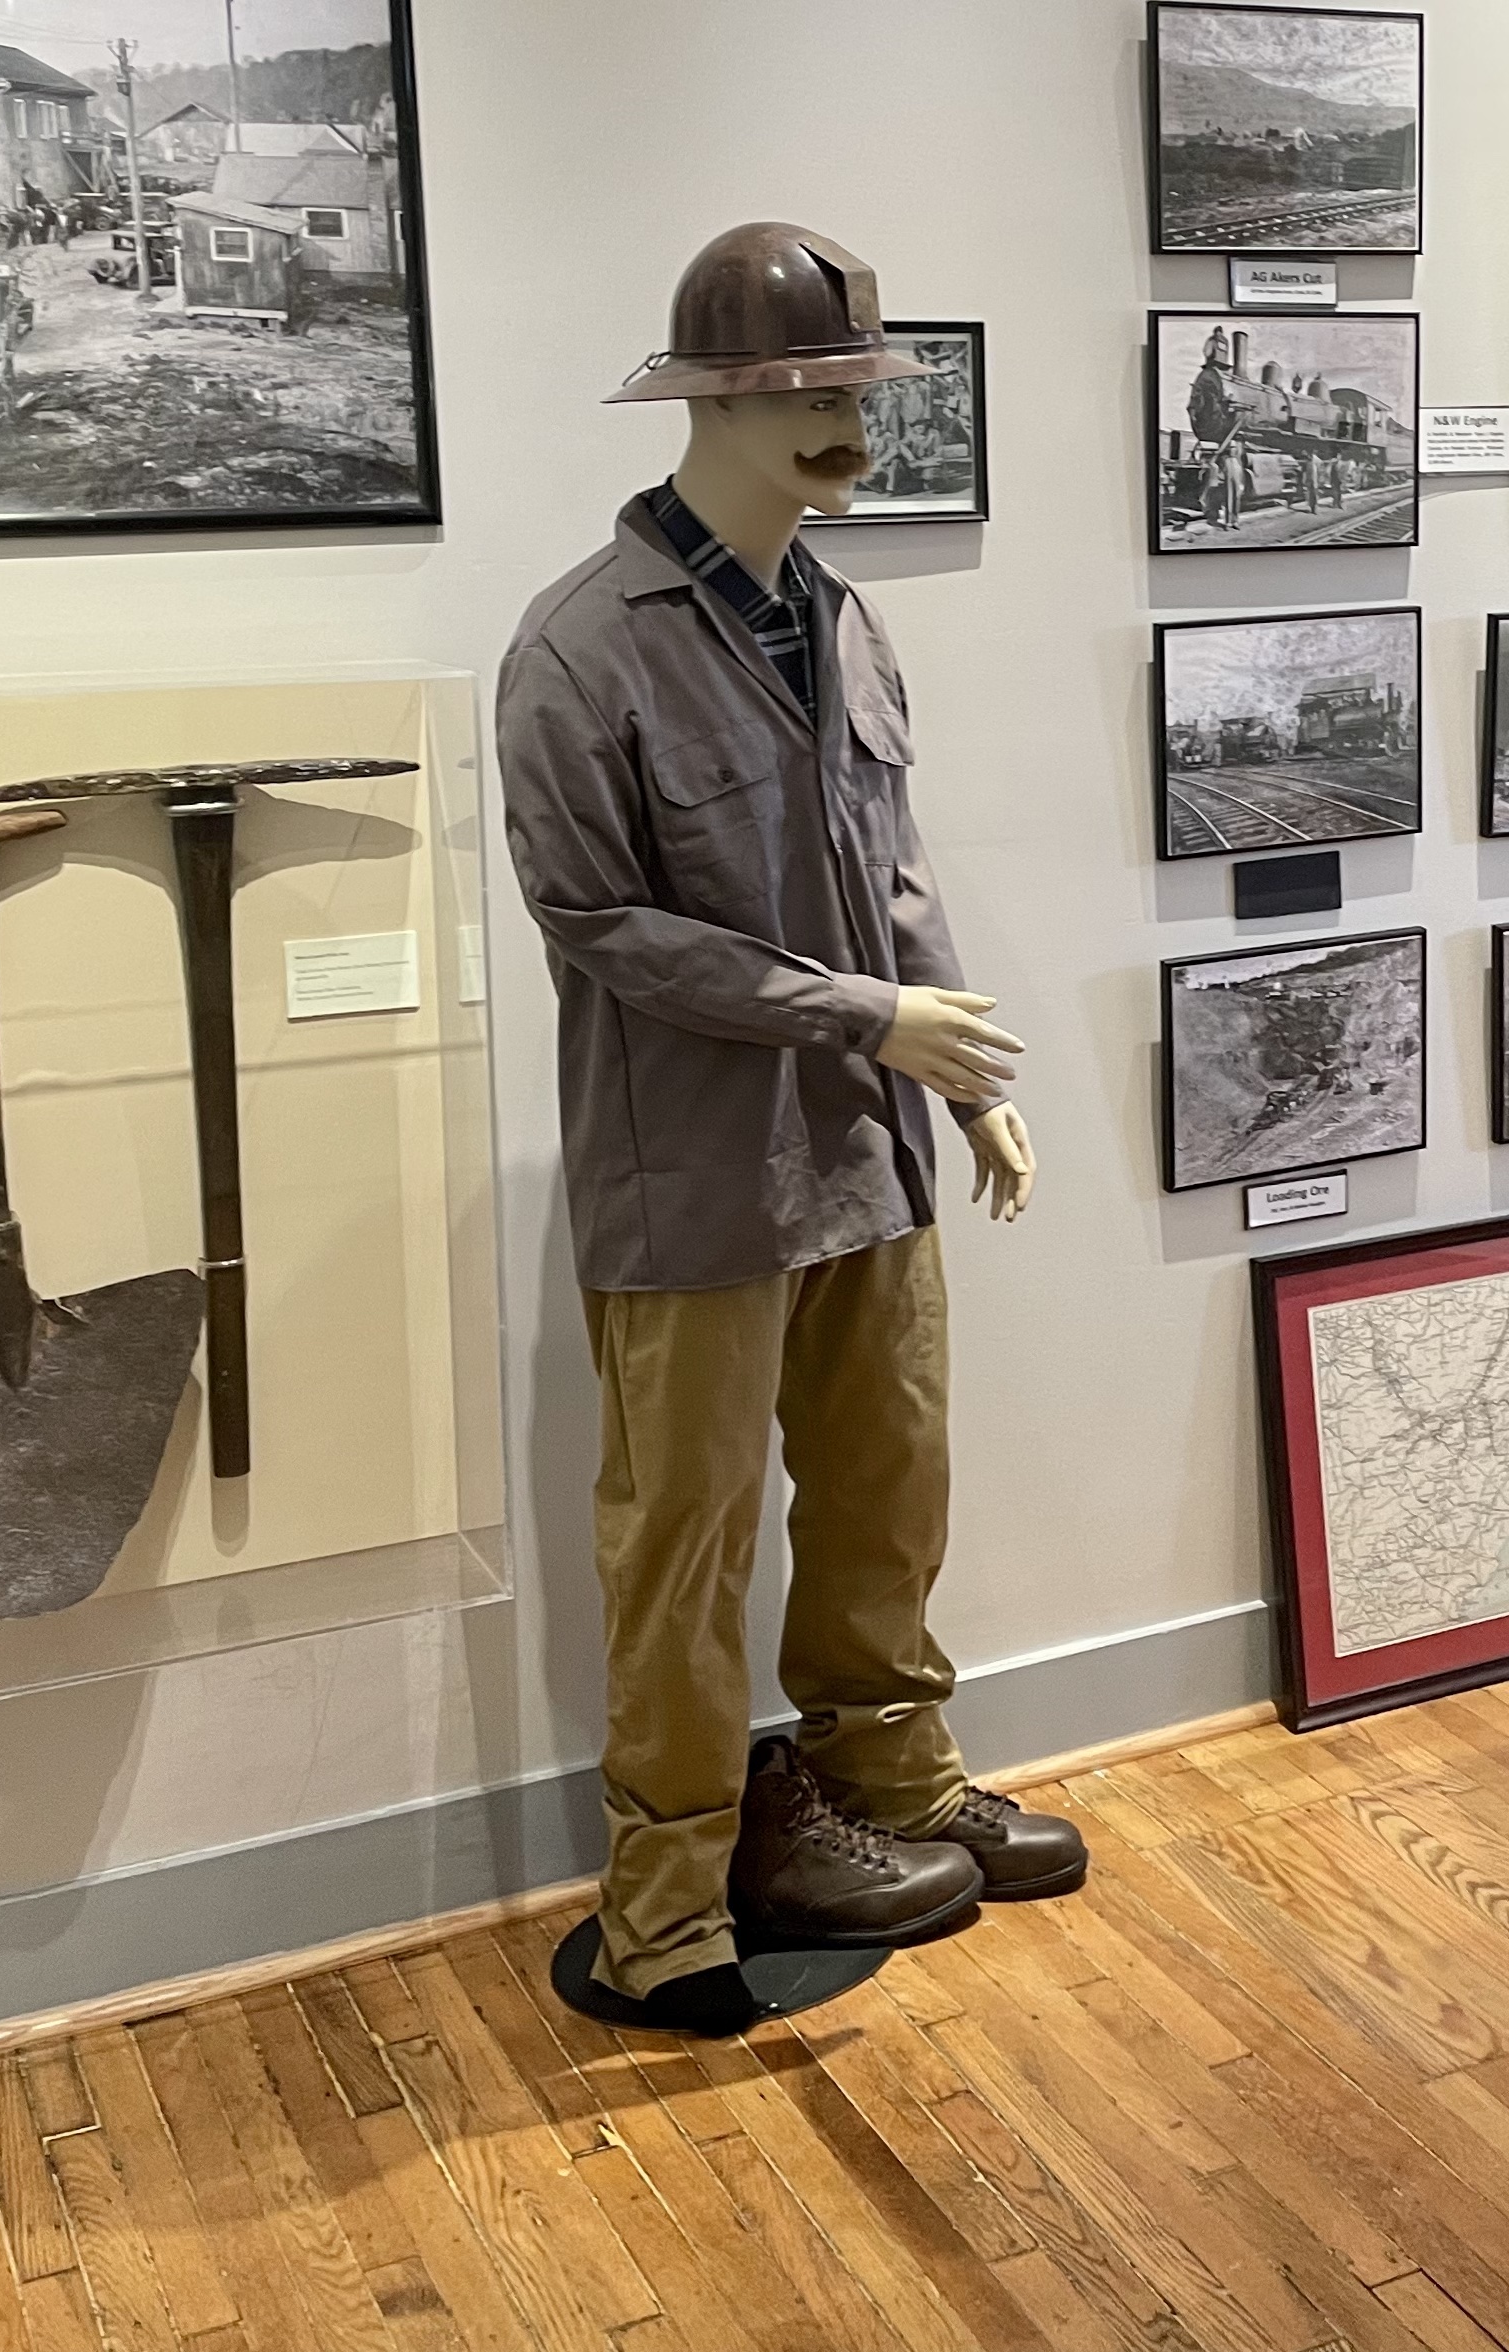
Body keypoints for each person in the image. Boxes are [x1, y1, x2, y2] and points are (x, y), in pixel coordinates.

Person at [499, 222, 1082, 2041]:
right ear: (714, 405)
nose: (850, 425)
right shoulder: (579, 651)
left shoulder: (841, 617)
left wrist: (965, 1074)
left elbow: (890, 873)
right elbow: (596, 921)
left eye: (857, 389)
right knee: (682, 1547)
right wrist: (865, 1017)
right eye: (810, 394)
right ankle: (667, 1902)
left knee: (889, 1492)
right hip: (693, 1183)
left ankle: (894, 1780)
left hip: (868, 1156)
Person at [1186, 329, 1246, 532]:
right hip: (1219, 449)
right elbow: (1195, 406)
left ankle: (1230, 518)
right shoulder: (1210, 378)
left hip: (1228, 456)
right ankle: (1219, 514)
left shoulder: (1234, 456)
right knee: (1229, 488)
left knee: (1233, 490)